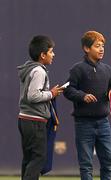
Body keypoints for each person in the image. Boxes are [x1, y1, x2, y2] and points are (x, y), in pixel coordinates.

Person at [63, 31, 111, 180]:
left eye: (103, 46)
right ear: (86, 48)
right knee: (86, 165)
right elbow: (68, 90)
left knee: (108, 163)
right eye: (97, 46)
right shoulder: (77, 69)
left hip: (103, 123)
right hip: (84, 123)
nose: (101, 49)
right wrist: (82, 96)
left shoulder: (107, 69)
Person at [18, 35, 64, 180]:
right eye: (51, 52)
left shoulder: (31, 69)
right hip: (35, 121)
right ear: (42, 55)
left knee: (29, 158)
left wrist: (50, 94)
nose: (53, 54)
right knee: (38, 158)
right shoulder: (39, 71)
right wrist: (51, 93)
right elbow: (33, 96)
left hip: (25, 119)